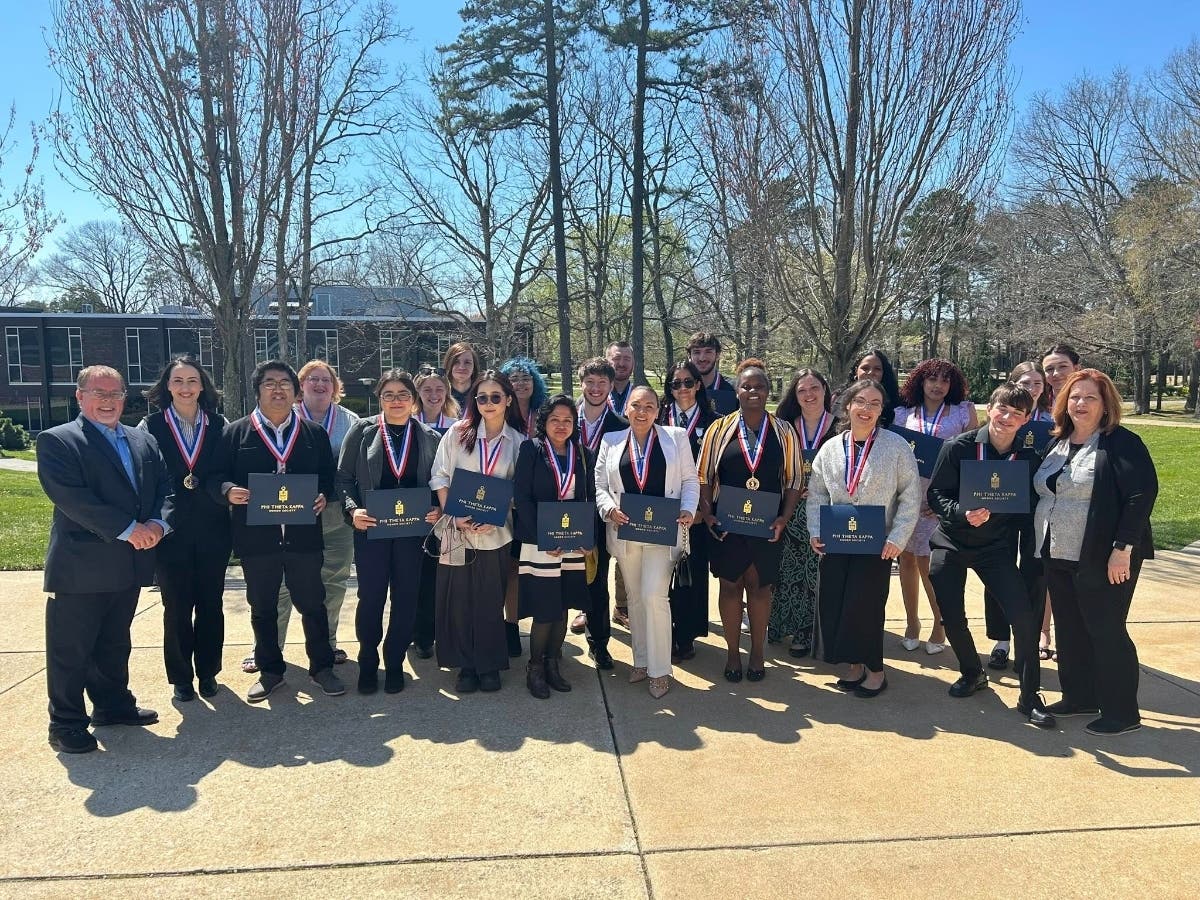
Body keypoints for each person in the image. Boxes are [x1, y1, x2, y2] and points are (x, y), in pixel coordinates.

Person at [38, 365, 173, 753]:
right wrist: (131, 528)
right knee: (71, 651)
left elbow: (164, 488)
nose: (109, 401)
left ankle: (112, 706)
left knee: (114, 643)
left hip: (129, 564)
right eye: (99, 393)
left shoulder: (141, 441)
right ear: (80, 397)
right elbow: (72, 498)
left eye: (116, 394)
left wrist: (157, 524)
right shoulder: (59, 441)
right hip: (81, 567)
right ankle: (65, 724)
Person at [209, 360, 343, 702]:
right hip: (257, 540)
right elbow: (214, 476)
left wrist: (323, 495)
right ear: (258, 390)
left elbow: (329, 478)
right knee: (263, 607)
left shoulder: (313, 435)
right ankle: (271, 672)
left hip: (303, 538)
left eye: (284, 383)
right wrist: (227, 490)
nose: (278, 389)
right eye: (269, 383)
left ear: (295, 392)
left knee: (312, 604)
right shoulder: (235, 433)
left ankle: (321, 668)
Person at [1034, 369, 1158, 735]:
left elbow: (1141, 496)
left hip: (1105, 556)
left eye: (1090, 397)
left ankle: (1123, 712)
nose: (1081, 403)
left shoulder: (1121, 442)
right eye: (1074, 396)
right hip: (1057, 552)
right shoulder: (1055, 441)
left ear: (1106, 405)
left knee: (1106, 630)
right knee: (1070, 629)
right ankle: (1079, 696)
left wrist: (1122, 549)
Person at [926, 383, 1055, 728]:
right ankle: (972, 672)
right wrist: (960, 513)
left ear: (1027, 420)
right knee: (951, 615)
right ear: (990, 408)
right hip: (951, 543)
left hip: (996, 550)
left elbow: (1029, 509)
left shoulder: (1028, 460)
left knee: (1024, 619)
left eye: (1017, 413)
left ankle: (1030, 697)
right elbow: (937, 494)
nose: (1007, 418)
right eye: (1002, 409)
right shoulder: (959, 447)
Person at [806, 378, 920, 698]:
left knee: (867, 606)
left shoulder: (895, 447)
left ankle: (876, 670)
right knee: (839, 603)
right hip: (837, 540)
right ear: (848, 406)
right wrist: (816, 530)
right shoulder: (830, 449)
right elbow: (816, 494)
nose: (866, 409)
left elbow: (910, 496)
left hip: (877, 543)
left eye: (874, 404)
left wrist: (898, 537)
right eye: (861, 402)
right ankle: (853, 665)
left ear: (882, 410)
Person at [336, 370, 442, 694]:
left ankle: (394, 660)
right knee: (370, 598)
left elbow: (440, 483)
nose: (396, 401)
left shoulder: (429, 436)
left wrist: (439, 508)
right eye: (389, 395)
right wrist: (353, 511)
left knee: (406, 597)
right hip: (371, 531)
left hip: (413, 534)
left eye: (403, 394)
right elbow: (342, 479)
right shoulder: (362, 431)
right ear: (379, 398)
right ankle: (368, 660)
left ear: (414, 399)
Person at [697, 359, 804, 682]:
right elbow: (704, 476)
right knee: (730, 586)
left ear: (769, 391)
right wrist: (708, 512)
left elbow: (794, 480)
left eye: (759, 386)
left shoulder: (784, 431)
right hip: (727, 525)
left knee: (760, 588)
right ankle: (732, 653)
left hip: (766, 525)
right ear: (737, 391)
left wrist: (784, 518)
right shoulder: (719, 429)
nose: (752, 391)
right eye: (746, 386)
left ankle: (757, 652)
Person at [596, 386, 699, 698]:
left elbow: (689, 480)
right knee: (636, 598)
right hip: (626, 532)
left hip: (663, 532)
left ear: (658, 410)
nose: (642, 412)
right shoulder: (611, 441)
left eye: (649, 406)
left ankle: (659, 669)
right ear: (626, 408)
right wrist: (608, 509)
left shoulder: (676, 437)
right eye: (636, 406)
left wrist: (688, 509)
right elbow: (600, 484)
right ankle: (640, 661)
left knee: (654, 595)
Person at [429, 370, 526, 694]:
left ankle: (488, 665)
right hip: (457, 532)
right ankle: (466, 665)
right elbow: (440, 476)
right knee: (459, 601)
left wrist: (498, 515)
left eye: (495, 397)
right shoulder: (457, 433)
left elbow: (518, 489)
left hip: (496, 533)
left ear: (508, 400)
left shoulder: (518, 442)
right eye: (481, 397)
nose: (488, 403)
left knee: (489, 600)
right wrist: (453, 516)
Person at [140, 357, 231, 702]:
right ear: (167, 386)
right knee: (176, 605)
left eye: (193, 381)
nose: (186, 388)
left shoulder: (219, 424)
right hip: (170, 529)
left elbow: (226, 470)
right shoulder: (150, 427)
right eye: (178, 381)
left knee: (211, 603)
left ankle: (208, 672)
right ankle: (181, 677)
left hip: (213, 527)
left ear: (203, 386)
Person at [260, 360, 359, 671]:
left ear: (335, 387)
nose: (319, 385)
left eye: (326, 380)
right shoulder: (283, 417)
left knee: (334, 579)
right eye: (312, 379)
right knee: (282, 583)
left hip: (334, 513)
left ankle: (327, 643)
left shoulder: (351, 421)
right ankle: (268, 648)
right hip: (287, 513)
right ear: (300, 386)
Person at [892, 359, 979, 655]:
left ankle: (939, 624)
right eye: (932, 379)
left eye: (944, 380)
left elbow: (973, 460)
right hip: (905, 499)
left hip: (939, 501)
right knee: (905, 560)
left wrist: (947, 499)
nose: (938, 385)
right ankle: (912, 622)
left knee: (930, 565)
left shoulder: (962, 413)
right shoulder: (901, 415)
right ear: (920, 382)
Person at [512, 395, 596, 698]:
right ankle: (534, 667)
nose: (561, 426)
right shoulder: (531, 450)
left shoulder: (583, 453)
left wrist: (589, 538)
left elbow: (589, 498)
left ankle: (552, 664)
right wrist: (544, 536)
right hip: (540, 543)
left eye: (568, 421)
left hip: (571, 541)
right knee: (545, 609)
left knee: (561, 607)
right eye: (555, 420)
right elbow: (521, 497)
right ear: (543, 423)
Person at [983, 360, 1051, 668]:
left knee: (1033, 573)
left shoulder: (1055, 419)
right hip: (1003, 504)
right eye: (1025, 382)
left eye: (1038, 383)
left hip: (1038, 507)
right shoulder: (1003, 416)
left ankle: (1031, 636)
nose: (1032, 388)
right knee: (999, 568)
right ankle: (1001, 640)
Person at [770, 368, 836, 657]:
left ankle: (810, 631)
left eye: (814, 388)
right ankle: (786, 624)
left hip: (825, 511)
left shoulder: (841, 427)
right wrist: (792, 487)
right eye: (801, 390)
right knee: (789, 572)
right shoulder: (784, 427)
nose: (809, 395)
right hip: (790, 510)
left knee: (817, 573)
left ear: (825, 390)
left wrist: (823, 488)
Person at [569, 356, 629, 668]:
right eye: (590, 383)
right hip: (565, 511)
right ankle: (552, 642)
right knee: (560, 575)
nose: (595, 389)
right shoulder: (564, 420)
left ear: (610, 386)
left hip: (602, 514)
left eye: (601, 383)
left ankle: (599, 642)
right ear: (582, 384)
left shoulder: (621, 426)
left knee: (597, 578)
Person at [659, 360, 716, 660]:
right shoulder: (657, 419)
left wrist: (705, 508)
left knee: (692, 573)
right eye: (675, 383)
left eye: (687, 382)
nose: (682, 388)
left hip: (698, 511)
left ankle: (687, 635)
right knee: (664, 573)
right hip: (664, 508)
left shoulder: (716, 422)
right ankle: (665, 631)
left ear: (698, 385)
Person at [498, 356, 550, 656]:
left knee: (531, 568)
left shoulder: (542, 414)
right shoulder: (498, 415)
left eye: (526, 378)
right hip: (503, 502)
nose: (520, 383)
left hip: (535, 503)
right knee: (508, 568)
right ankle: (508, 626)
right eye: (514, 379)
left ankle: (530, 623)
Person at [844, 349, 901, 427]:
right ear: (856, 370)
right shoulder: (838, 399)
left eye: (877, 369)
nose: (871, 372)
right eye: (865, 368)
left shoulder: (896, 404)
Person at [415, 367, 459, 431]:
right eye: (427, 390)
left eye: (439, 389)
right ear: (418, 392)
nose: (434, 395)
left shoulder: (454, 425)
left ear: (446, 392)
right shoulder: (410, 423)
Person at [442, 341, 482, 413]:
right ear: (449, 364)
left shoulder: (481, 393)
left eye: (467, 362)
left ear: (474, 367)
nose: (462, 367)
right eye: (456, 362)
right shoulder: (440, 394)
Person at [606, 340, 636, 417]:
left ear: (633, 363)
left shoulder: (642, 397)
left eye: (627, 359)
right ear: (607, 361)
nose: (621, 363)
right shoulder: (594, 395)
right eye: (617, 358)